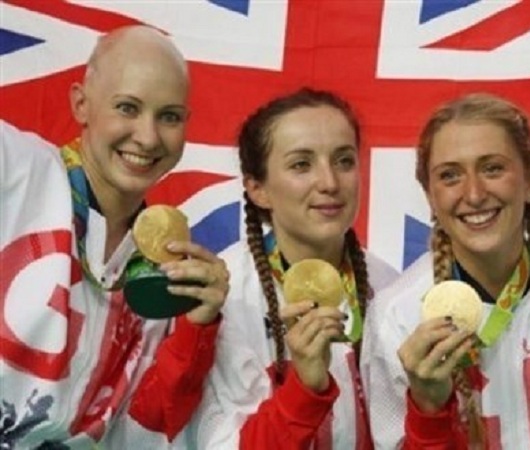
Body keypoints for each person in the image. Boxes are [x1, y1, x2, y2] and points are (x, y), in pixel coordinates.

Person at [0, 25, 228, 449]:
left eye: (169, 116)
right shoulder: (16, 169)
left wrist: (196, 328)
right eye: (127, 107)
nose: (148, 136)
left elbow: (142, 433)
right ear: (81, 104)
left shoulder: (164, 270)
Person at [365, 93, 530, 449]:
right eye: (450, 176)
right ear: (430, 195)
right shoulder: (396, 317)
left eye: (492, 168)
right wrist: (428, 410)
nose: (475, 194)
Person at [187, 88, 398, 449]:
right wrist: (304, 389)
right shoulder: (224, 298)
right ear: (258, 189)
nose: (330, 183)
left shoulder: (391, 290)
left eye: (344, 161)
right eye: (301, 164)